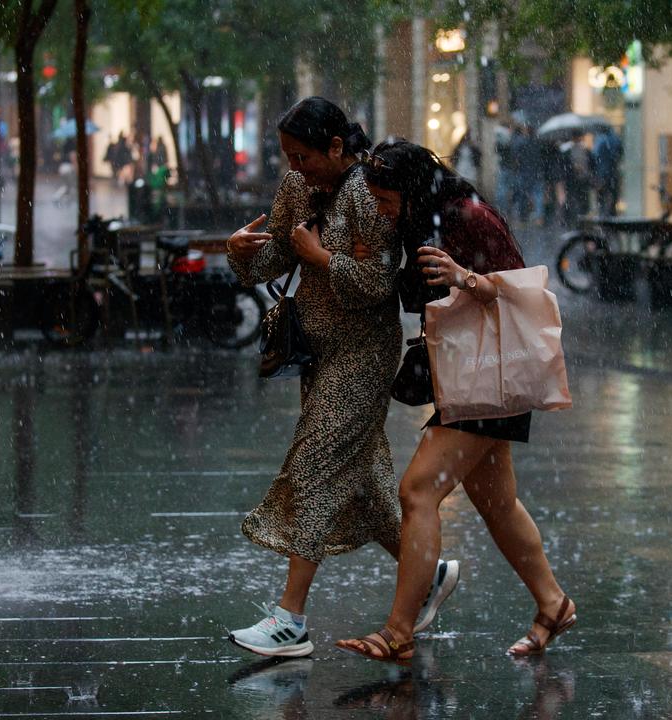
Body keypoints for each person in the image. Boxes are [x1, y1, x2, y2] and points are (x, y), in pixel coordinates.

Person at [224, 98, 459, 659]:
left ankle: (290, 621)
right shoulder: (298, 189)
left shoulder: (367, 193)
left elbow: (380, 286)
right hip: (317, 352)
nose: (295, 167)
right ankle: (426, 571)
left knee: (316, 463)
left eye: (303, 156)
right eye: (287, 157)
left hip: (364, 354)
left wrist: (323, 258)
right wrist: (239, 255)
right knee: (367, 488)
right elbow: (275, 258)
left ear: (336, 148)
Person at [335, 140, 575, 662]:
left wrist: (464, 278)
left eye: (385, 198)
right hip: (469, 379)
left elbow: (523, 292)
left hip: (489, 379)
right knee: (497, 504)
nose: (381, 208)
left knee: (418, 491)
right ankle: (552, 603)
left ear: (412, 188)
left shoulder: (468, 216)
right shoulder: (424, 219)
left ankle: (398, 632)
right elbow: (415, 291)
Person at [592, 128, 623, 216]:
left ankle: (604, 217)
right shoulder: (615, 140)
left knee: (602, 200)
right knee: (612, 198)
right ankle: (611, 216)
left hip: (602, 175)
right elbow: (619, 154)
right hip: (613, 174)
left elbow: (595, 158)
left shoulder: (599, 141)